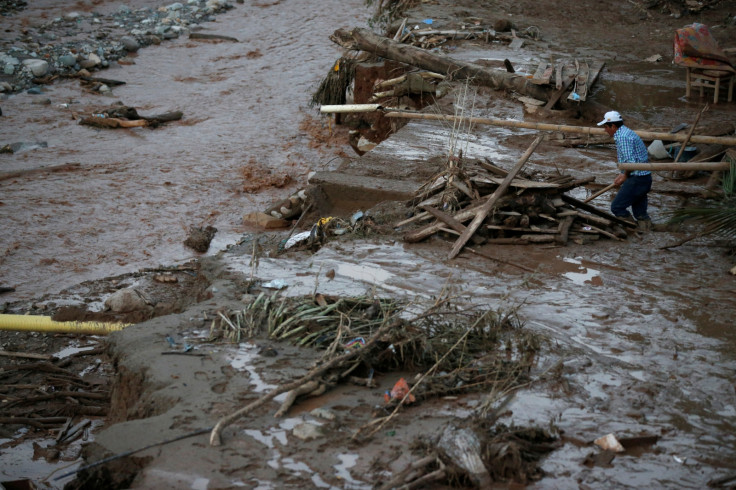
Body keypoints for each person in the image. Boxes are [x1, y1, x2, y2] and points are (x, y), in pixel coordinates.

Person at [597, 110, 652, 231]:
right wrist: (622, 174)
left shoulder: (623, 137)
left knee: (617, 207)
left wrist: (625, 176)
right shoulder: (625, 132)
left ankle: (632, 228)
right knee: (640, 213)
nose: (605, 130)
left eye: (606, 127)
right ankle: (646, 231)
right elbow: (629, 160)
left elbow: (630, 163)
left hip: (637, 178)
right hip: (644, 177)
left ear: (613, 126)